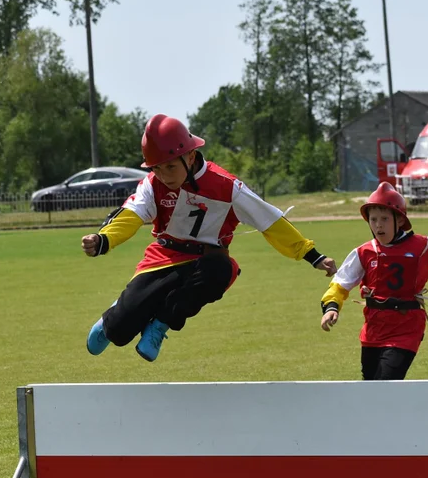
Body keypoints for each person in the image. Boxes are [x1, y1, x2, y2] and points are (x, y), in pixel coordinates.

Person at [82, 114, 337, 362]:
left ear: (190, 156)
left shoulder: (228, 187)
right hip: (163, 258)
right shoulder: (152, 184)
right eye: (156, 168)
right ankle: (112, 319)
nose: (164, 175)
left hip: (205, 261)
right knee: (120, 331)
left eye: (170, 166)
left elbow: (270, 222)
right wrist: (103, 239)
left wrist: (312, 255)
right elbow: (132, 215)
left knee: (221, 270)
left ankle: (160, 325)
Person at [319, 182, 428, 380]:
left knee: (386, 384)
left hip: (406, 328)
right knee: (372, 387)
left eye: (385, 219)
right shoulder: (364, 252)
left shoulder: (421, 247)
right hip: (373, 329)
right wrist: (331, 308)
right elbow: (340, 283)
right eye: (373, 219)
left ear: (399, 220)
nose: (378, 225)